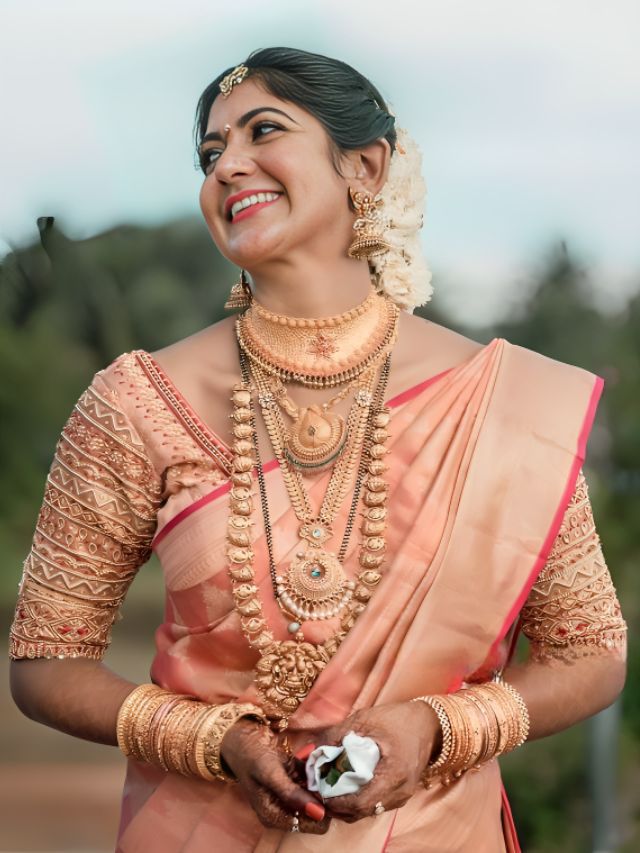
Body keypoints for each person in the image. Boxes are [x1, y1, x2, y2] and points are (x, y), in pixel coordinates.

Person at [9, 47, 627, 852]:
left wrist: (441, 730)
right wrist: (213, 740)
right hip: (201, 829)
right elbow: (46, 662)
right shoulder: (136, 403)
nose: (228, 165)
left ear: (364, 165)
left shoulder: (499, 403)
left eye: (263, 130)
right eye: (209, 153)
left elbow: (591, 652)